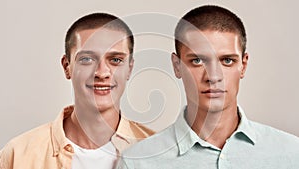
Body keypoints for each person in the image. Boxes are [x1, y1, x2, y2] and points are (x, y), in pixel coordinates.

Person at [117, 5, 299, 169]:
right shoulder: (138, 161)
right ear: (177, 65)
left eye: (227, 60)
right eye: (197, 61)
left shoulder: (291, 154)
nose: (213, 76)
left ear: (243, 65)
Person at [0, 13, 154, 169]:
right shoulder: (17, 155)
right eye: (86, 59)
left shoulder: (160, 152)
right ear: (67, 67)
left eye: (115, 60)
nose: (101, 73)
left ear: (129, 69)